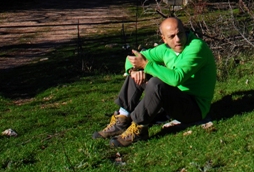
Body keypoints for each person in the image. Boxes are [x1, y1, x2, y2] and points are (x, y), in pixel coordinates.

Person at [92, 17, 217, 147]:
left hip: (194, 108)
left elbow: (176, 78)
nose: (178, 39)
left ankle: (139, 127)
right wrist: (133, 71)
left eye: (180, 33)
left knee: (156, 82)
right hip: (174, 99)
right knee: (139, 73)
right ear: (164, 39)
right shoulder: (165, 49)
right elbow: (133, 59)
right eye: (172, 36)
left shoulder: (196, 47)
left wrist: (146, 65)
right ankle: (122, 120)